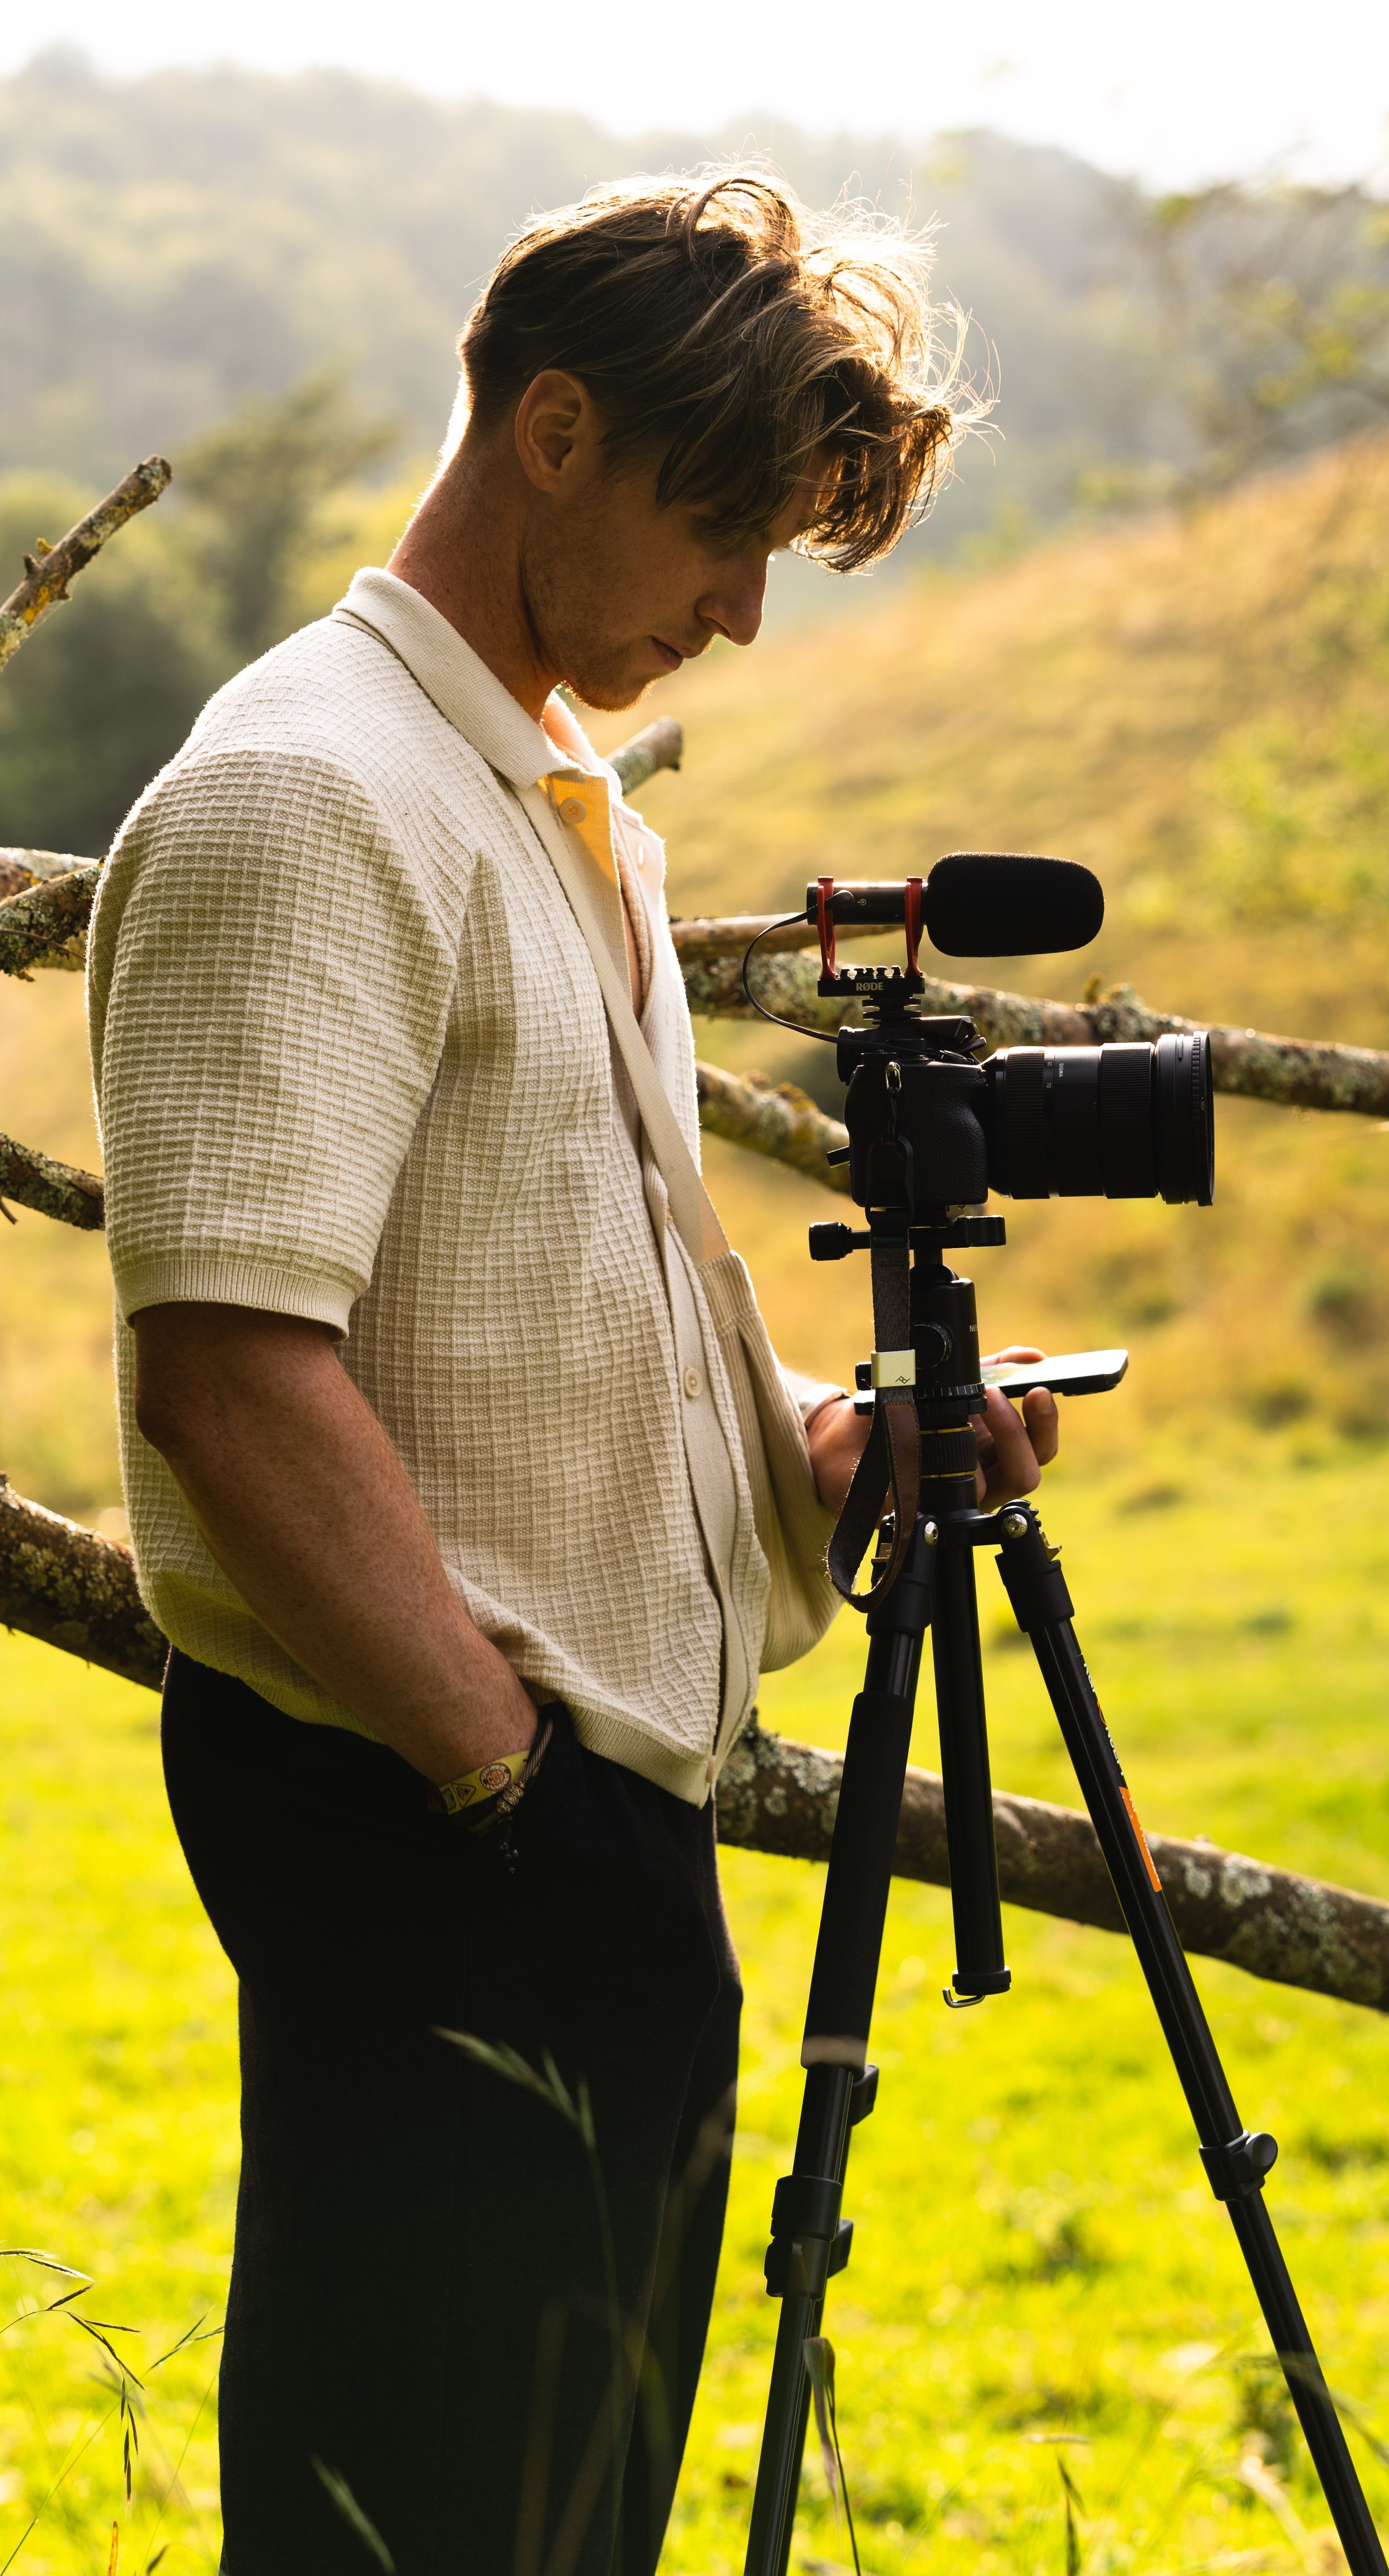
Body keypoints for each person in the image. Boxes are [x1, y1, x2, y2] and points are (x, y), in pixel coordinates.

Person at [88, 171, 1059, 2575]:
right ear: (549, 431)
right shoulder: (305, 791)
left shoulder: (558, 813)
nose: (738, 608)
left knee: (554, 2514)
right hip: (445, 1823)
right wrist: (504, 1784)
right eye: (720, 532)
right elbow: (230, 1368)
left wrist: (820, 1462)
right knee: (424, 2521)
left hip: (561, 1825)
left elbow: (529, 1332)